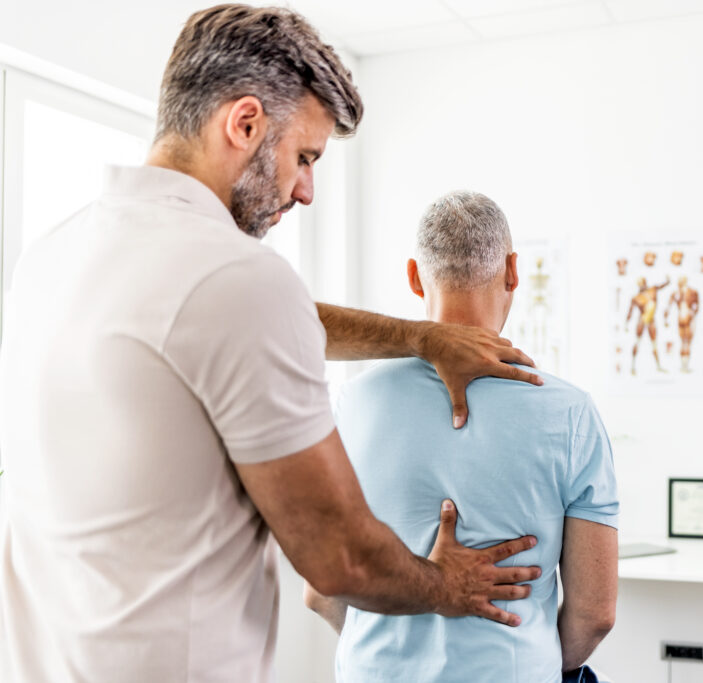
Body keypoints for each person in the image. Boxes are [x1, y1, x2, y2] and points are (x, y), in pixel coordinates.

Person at [0, 6, 543, 682]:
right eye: (304, 157)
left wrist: (422, 337)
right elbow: (341, 558)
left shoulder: (53, 256)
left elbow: (230, 325)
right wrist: (449, 584)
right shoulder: (239, 281)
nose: (307, 190)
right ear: (245, 123)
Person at [305, 191, 619, 683]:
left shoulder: (351, 405)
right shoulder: (571, 413)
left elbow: (320, 593)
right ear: (513, 271)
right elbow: (595, 614)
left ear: (413, 276)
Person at [626, 275, 671, 374]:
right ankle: (632, 366)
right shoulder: (636, 298)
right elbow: (630, 311)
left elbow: (662, 286)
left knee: (654, 343)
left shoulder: (652, 290)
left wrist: (668, 280)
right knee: (637, 342)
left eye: (642, 283)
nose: (642, 285)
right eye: (640, 284)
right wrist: (626, 324)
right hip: (642, 320)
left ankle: (658, 366)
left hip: (651, 321)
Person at [664, 276, 700, 372]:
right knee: (684, 342)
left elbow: (696, 305)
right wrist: (666, 317)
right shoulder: (677, 293)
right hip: (682, 317)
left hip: (687, 316)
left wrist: (692, 313)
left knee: (687, 342)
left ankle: (685, 365)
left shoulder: (692, 292)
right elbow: (668, 306)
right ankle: (684, 365)